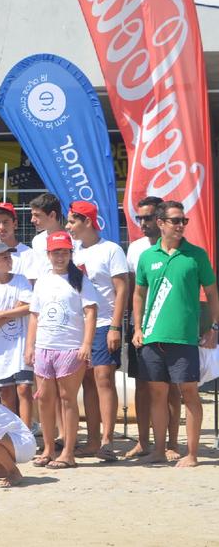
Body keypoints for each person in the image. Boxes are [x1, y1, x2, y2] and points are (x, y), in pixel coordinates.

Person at [132, 200, 219, 468]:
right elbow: (138, 293)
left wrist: (215, 327)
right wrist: (137, 328)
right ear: (161, 223)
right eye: (176, 221)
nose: (181, 225)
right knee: (157, 395)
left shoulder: (196, 255)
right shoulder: (147, 256)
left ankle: (191, 454)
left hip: (184, 339)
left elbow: (213, 292)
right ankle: (159, 450)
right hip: (152, 337)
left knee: (190, 394)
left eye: (184, 221)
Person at [25, 231, 97, 470]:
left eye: (64, 252)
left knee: (68, 399)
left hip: (70, 347)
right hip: (44, 347)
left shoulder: (80, 279)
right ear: (48, 254)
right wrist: (30, 346)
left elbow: (90, 312)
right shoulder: (43, 280)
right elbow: (34, 316)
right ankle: (48, 447)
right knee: (45, 399)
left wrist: (86, 344)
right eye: (56, 252)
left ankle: (68, 451)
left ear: (70, 253)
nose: (60, 256)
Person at [67, 200, 129, 460]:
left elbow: (122, 288)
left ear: (88, 222)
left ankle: (107, 440)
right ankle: (92, 440)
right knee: (88, 382)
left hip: (105, 323)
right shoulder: (73, 251)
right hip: (81, 326)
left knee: (104, 378)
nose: (68, 226)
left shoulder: (111, 250)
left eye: (72, 221)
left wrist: (116, 326)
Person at [123, 196, 180, 460]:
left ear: (160, 220)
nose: (142, 223)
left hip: (169, 325)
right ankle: (143, 441)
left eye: (147, 218)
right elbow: (135, 289)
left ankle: (172, 443)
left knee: (171, 387)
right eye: (139, 218)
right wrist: (132, 324)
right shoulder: (135, 248)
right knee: (143, 384)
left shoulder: (177, 248)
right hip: (141, 325)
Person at [0, 242, 34, 427]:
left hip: (22, 347)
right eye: (3, 258)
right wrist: (15, 310)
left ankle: (26, 434)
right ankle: (13, 434)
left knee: (24, 389)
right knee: (6, 394)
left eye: (9, 257)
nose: (9, 260)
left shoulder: (21, 280)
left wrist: (0, 313)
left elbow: (29, 308)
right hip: (2, 353)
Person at [0, 202, 36, 282]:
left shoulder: (28, 254)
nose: (1, 227)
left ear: (15, 224)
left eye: (5, 222)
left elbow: (30, 285)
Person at [29, 193, 68, 280]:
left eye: (37, 215)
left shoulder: (73, 239)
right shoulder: (37, 241)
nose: (32, 220)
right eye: (32, 215)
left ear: (52, 215)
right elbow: (35, 272)